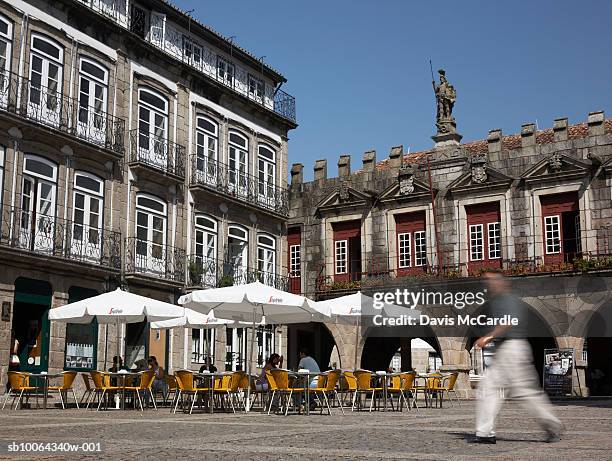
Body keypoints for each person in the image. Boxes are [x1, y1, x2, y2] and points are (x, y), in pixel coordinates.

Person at [473, 270, 564, 444]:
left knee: (520, 391)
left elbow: (508, 322)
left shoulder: (508, 300)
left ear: (502, 282)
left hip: (511, 348)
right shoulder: (497, 301)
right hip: (507, 350)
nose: (487, 284)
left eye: (490, 280)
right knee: (493, 389)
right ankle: (485, 433)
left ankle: (552, 424)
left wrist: (488, 337)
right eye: (485, 280)